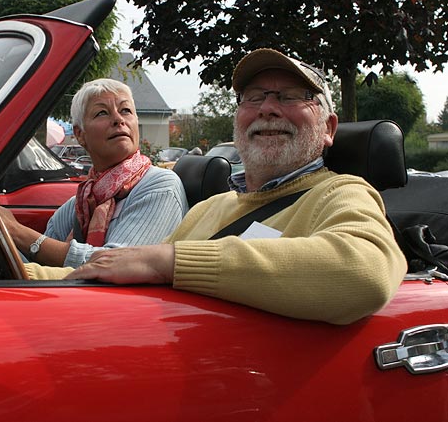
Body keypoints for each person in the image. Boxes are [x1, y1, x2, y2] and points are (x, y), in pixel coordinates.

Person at [67, 48, 407, 325]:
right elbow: (116, 274)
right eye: (253, 98)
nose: (269, 109)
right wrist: (24, 272)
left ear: (329, 128)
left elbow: (366, 273)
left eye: (291, 97)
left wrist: (169, 262)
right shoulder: (209, 208)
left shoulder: (341, 193)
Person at [0, 78, 188, 278]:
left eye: (126, 111)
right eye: (102, 113)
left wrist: (16, 231)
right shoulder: (81, 202)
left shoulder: (160, 186)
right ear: (80, 134)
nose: (118, 119)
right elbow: (41, 257)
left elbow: (115, 264)